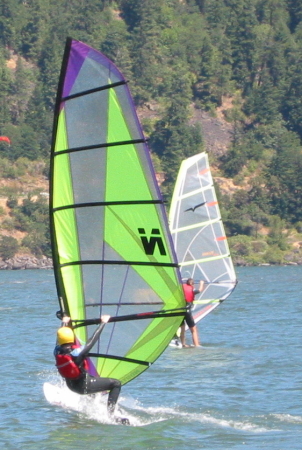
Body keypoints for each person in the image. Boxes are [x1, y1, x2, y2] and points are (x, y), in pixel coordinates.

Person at [54, 315, 129, 424]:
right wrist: (103, 323)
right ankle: (111, 415)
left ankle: (93, 407)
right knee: (116, 383)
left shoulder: (57, 350)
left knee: (94, 381)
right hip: (84, 386)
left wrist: (64, 323)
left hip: (71, 386)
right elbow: (93, 340)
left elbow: (59, 338)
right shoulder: (77, 352)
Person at [180, 278, 204, 348]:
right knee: (193, 329)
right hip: (187, 312)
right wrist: (201, 283)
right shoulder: (192, 289)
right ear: (192, 284)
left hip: (180, 311)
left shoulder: (181, 289)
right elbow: (200, 290)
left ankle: (183, 344)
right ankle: (196, 344)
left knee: (182, 328)